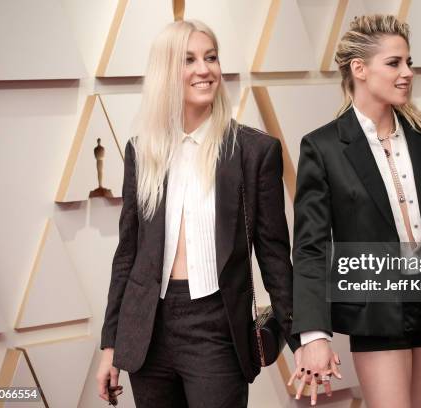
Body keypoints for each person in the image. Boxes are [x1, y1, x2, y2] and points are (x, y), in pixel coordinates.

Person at [290, 15, 421, 407]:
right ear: (359, 68)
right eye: (394, 63)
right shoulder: (323, 148)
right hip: (376, 309)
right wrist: (313, 334)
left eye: (409, 62)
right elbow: (311, 248)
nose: (407, 73)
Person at [96, 20, 300, 407]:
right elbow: (127, 255)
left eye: (211, 57)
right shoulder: (142, 152)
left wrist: (302, 340)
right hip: (148, 331)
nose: (204, 69)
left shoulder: (254, 152)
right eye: (188, 60)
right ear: (166, 72)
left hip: (216, 326)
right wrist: (110, 347)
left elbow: (274, 256)